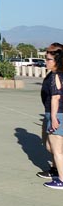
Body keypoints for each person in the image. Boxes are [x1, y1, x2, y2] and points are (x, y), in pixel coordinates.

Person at [37, 43, 63, 189]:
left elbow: (56, 97)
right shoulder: (53, 75)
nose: (46, 61)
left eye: (48, 59)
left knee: (56, 149)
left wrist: (53, 118)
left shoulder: (56, 76)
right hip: (53, 113)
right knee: (50, 146)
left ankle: (61, 179)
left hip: (57, 114)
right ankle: (57, 172)